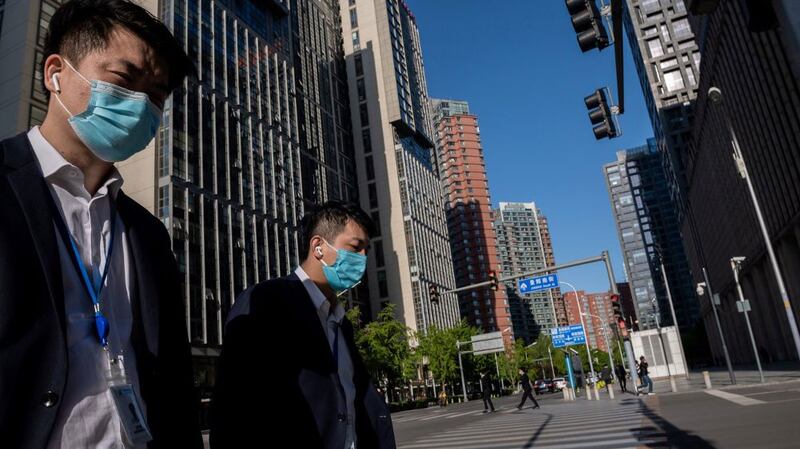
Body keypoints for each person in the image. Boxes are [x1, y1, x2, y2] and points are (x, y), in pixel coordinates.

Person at [0, 1, 201, 448]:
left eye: (156, 96)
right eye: (124, 81)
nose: (141, 105)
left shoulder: (148, 234)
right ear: (56, 73)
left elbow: (172, 374)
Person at [211, 201, 395, 449]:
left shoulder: (340, 323)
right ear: (318, 246)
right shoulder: (266, 302)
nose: (363, 259)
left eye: (366, 251)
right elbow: (232, 407)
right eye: (355, 247)